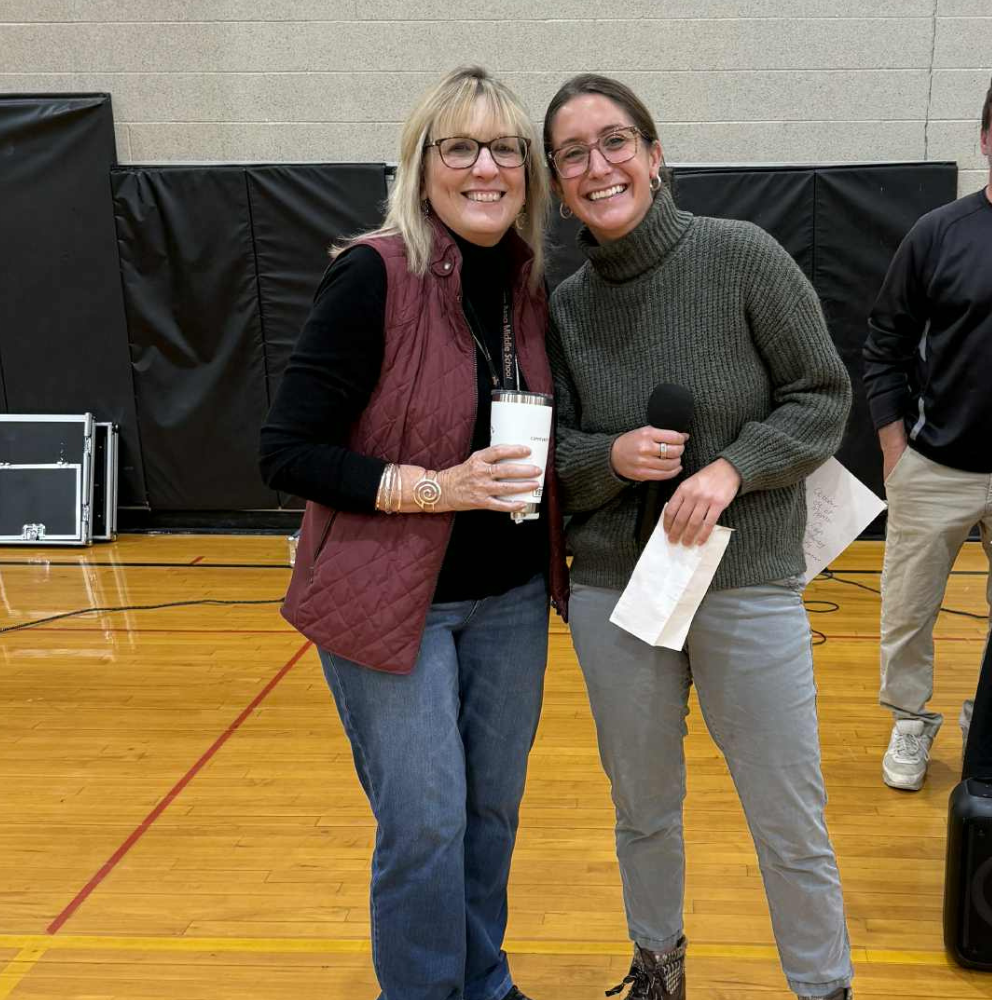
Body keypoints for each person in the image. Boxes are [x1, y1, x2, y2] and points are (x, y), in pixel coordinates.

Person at [260, 65, 568, 1000]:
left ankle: (484, 981)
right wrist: (438, 487)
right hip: (395, 603)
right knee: (426, 824)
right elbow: (286, 452)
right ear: (422, 166)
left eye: (505, 149)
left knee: (490, 812)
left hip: (509, 601)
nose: (486, 167)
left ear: (527, 172)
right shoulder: (372, 274)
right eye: (460, 147)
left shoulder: (527, 282)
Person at [543, 74, 854, 1000]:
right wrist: (614, 459)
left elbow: (823, 396)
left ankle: (822, 986)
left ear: (655, 152)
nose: (598, 166)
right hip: (615, 586)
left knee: (786, 815)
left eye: (615, 141)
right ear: (558, 184)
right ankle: (658, 967)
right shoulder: (563, 306)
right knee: (643, 810)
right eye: (573, 154)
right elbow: (549, 456)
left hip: (745, 576)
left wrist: (731, 468)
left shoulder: (741, 256)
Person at [864, 72, 992, 792]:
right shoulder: (938, 233)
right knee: (909, 612)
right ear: (985, 137)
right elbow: (884, 341)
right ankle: (911, 720)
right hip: (936, 466)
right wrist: (895, 449)